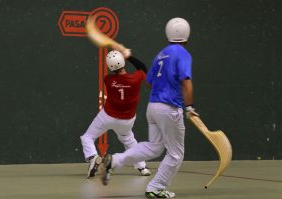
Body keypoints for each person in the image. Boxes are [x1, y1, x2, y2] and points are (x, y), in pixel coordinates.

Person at [100, 17, 199, 198]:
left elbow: (149, 83)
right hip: (169, 108)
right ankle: (156, 187)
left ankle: (115, 160)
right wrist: (190, 106)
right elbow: (186, 81)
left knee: (154, 147)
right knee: (176, 154)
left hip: (153, 107)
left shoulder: (161, 54)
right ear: (187, 35)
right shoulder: (182, 54)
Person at [80, 49, 151, 178]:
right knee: (129, 141)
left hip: (107, 117)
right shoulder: (136, 78)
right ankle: (142, 167)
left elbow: (117, 76)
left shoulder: (108, 79)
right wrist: (129, 56)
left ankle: (93, 157)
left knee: (87, 137)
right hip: (127, 121)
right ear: (123, 62)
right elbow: (143, 68)